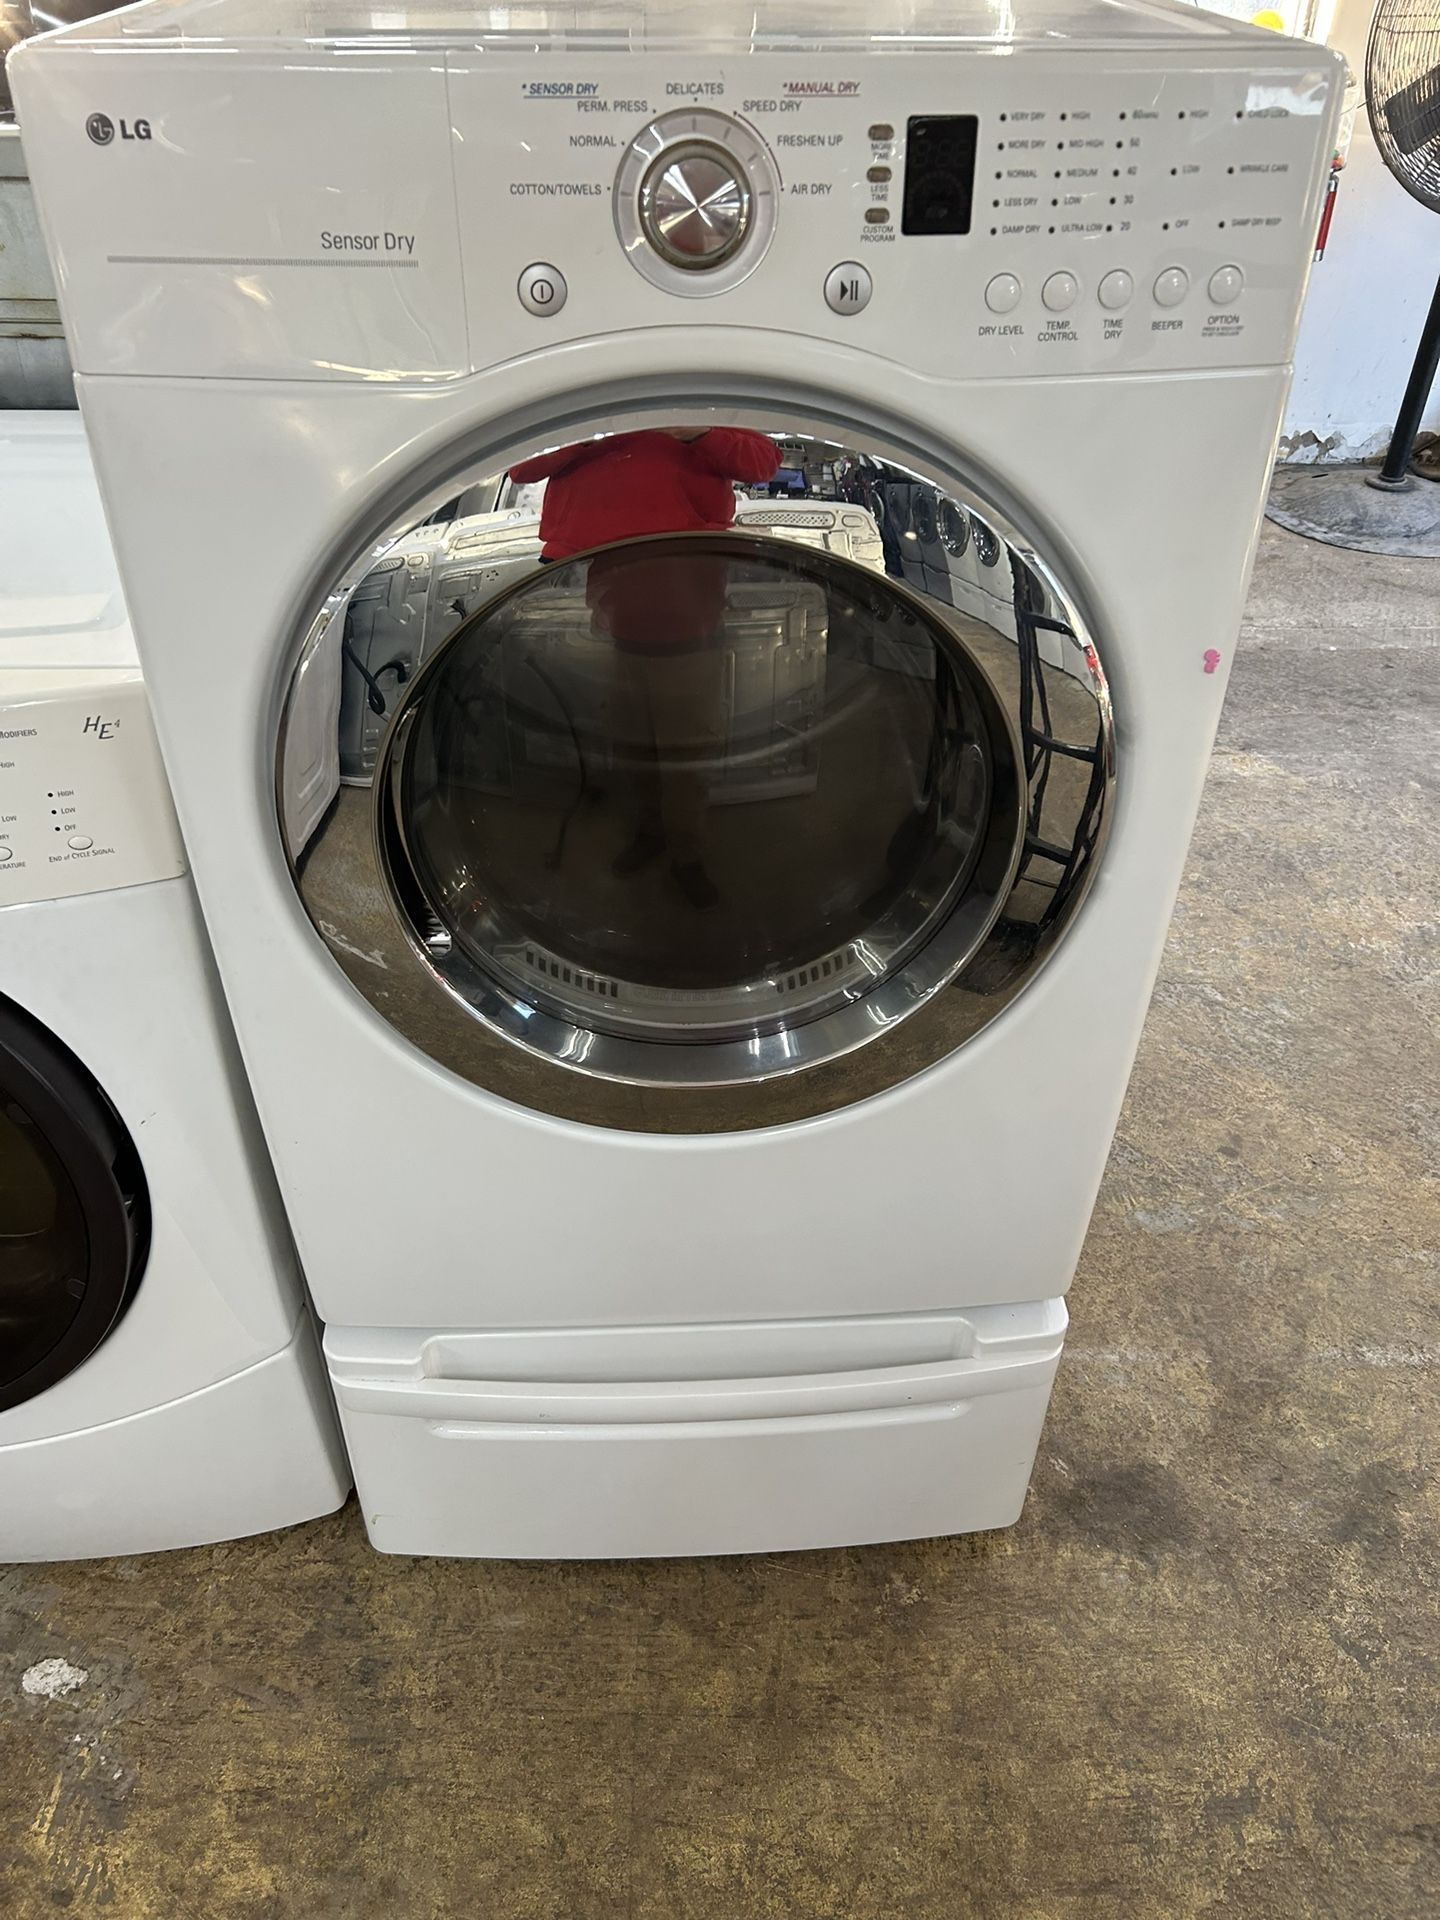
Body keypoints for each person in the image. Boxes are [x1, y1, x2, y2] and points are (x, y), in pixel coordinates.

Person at [507, 428, 780, 908]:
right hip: (618, 624)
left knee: (686, 756)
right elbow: (521, 465)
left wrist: (694, 430)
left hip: (691, 623)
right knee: (631, 745)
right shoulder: (583, 409)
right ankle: (651, 834)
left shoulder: (700, 404)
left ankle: (687, 857)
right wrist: (592, 427)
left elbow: (763, 462)